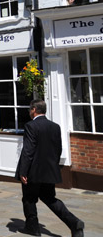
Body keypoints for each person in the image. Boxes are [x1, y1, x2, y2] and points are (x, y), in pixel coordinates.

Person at [15, 99, 84, 237]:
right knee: (50, 199)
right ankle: (74, 223)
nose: (29, 112)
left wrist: (23, 171)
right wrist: (54, 166)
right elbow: (57, 149)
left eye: (30, 110)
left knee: (29, 199)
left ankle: (33, 228)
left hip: (33, 172)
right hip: (49, 171)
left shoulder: (31, 126)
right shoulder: (55, 126)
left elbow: (28, 150)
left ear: (34, 110)